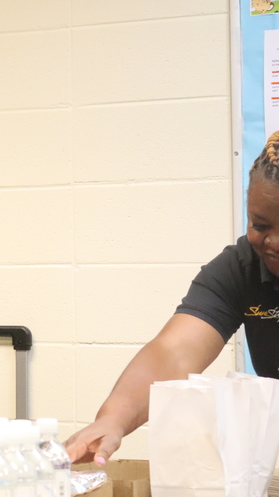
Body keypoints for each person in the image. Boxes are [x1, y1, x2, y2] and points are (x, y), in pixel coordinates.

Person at [66, 130, 279, 465]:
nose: (274, 243)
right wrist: (114, 418)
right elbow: (174, 352)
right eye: (260, 225)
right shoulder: (240, 269)